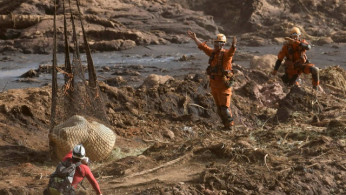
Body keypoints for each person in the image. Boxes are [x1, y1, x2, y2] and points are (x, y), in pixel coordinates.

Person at [187, 30, 237, 129]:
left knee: (225, 108)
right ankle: (225, 125)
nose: (216, 45)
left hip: (223, 85)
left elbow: (231, 52)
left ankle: (230, 127)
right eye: (215, 43)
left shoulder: (226, 55)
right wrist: (195, 39)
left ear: (223, 44)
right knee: (219, 109)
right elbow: (203, 47)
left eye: (218, 43)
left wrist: (234, 46)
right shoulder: (213, 53)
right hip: (214, 84)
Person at [272, 26, 321, 90]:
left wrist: (297, 43)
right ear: (290, 37)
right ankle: (289, 81)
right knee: (293, 87)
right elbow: (279, 60)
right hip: (292, 70)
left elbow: (308, 47)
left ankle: (315, 89)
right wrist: (275, 71)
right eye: (293, 36)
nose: (295, 38)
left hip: (301, 66)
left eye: (296, 36)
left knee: (315, 70)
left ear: (299, 36)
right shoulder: (286, 47)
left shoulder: (302, 43)